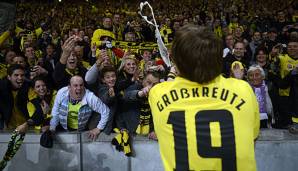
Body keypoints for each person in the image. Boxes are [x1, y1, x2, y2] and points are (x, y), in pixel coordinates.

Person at [148, 24, 260, 171]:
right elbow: (252, 138)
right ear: (219, 58)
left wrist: (172, 73)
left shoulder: (157, 94)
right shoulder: (244, 89)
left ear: (176, 61)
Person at [49, 75, 110, 141]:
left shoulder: (90, 97)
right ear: (69, 87)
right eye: (75, 85)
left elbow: (106, 111)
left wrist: (98, 128)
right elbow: (55, 111)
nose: (79, 88)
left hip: (82, 130)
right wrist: (52, 128)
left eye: (81, 85)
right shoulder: (62, 93)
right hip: (62, 127)